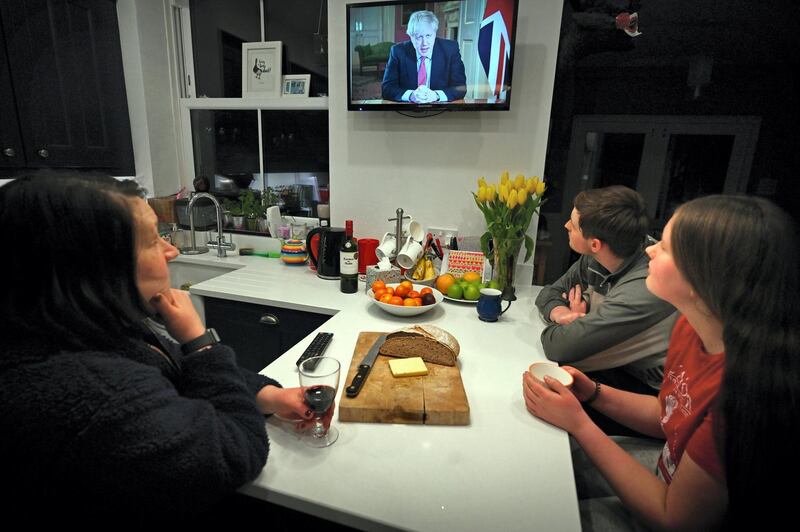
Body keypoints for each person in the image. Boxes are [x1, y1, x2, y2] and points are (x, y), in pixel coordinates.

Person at [0, 174, 331, 524]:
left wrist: (267, 396)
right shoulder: (101, 396)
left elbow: (179, 372)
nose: (171, 250)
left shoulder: (73, 328)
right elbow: (234, 451)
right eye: (152, 241)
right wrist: (200, 342)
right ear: (92, 267)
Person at [523, 195, 800, 529]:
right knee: (542, 470)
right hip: (666, 464)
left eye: (666, 248)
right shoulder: (690, 328)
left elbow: (674, 519)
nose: (650, 250)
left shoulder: (744, 395)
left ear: (704, 279)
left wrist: (579, 423)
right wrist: (594, 393)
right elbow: (670, 415)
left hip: (673, 509)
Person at [535, 186, 677, 393]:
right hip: (611, 370)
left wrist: (580, 323)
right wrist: (561, 313)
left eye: (573, 225)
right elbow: (549, 292)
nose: (566, 225)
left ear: (595, 244)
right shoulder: (596, 259)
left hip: (648, 392)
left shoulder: (649, 283)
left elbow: (558, 345)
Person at [381, 10, 467, 103]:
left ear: (435, 34)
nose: (424, 43)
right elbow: (387, 88)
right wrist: (410, 95)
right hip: (409, 111)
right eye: (419, 37)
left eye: (428, 35)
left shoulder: (450, 49)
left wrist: (436, 95)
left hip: (441, 111)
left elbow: (461, 87)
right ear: (411, 37)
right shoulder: (398, 51)